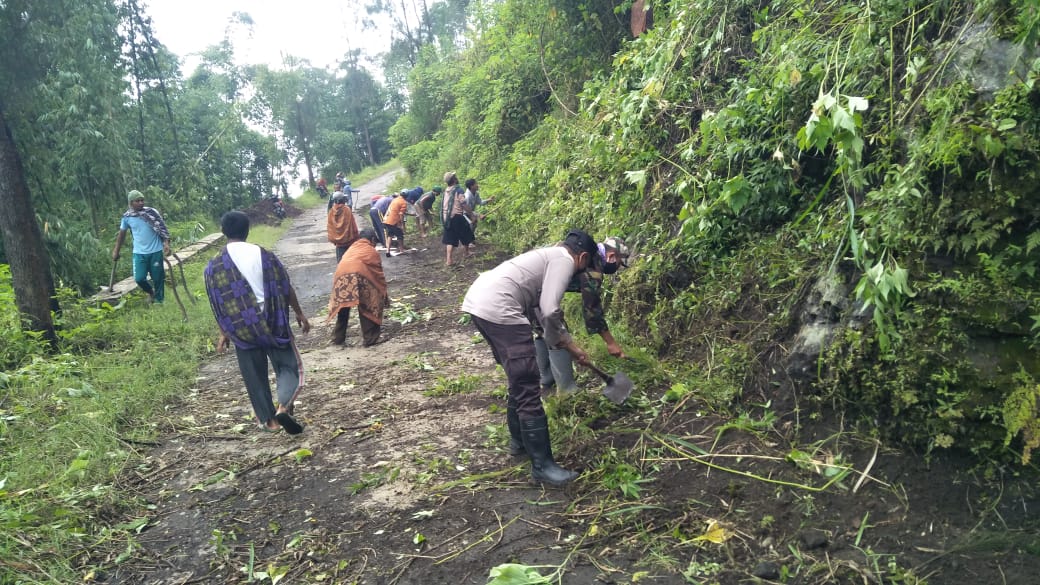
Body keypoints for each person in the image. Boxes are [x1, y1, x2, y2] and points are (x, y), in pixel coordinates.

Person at [461, 229, 600, 486]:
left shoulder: (546, 255)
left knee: (518, 378)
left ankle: (519, 442)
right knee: (526, 381)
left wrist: (567, 344)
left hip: (480, 304)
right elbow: (549, 311)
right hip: (500, 309)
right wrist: (567, 342)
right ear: (582, 257)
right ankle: (543, 467)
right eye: (587, 264)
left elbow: (539, 312)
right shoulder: (564, 260)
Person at [204, 211, 311, 435]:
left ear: (223, 232)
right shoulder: (265, 255)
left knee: (253, 374)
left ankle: (269, 421)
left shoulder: (213, 266)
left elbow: (217, 302)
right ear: (248, 230)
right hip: (273, 320)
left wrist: (224, 333)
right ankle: (283, 405)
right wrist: (299, 313)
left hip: (240, 327)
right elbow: (285, 286)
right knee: (288, 366)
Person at [536, 236, 631, 395]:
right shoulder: (593, 268)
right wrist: (611, 343)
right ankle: (568, 392)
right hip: (534, 291)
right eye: (620, 263)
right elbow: (592, 310)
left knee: (541, 329)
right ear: (612, 256)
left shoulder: (583, 251)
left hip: (530, 287)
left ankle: (546, 380)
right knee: (557, 332)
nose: (618, 267)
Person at [328, 228, 390, 347]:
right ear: (372, 240)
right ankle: (370, 338)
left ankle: (338, 338)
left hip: (341, 278)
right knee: (368, 303)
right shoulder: (371, 251)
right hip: (359, 276)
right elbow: (378, 277)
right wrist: (383, 295)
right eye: (375, 243)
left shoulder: (351, 248)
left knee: (343, 307)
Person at [112, 190, 171, 304]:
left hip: (156, 251)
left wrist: (166, 243)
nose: (140, 203)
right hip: (139, 253)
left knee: (158, 277)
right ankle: (151, 292)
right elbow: (121, 235)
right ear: (131, 203)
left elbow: (162, 229)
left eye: (142, 200)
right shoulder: (127, 217)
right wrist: (116, 251)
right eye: (137, 201)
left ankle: (159, 301)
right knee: (139, 278)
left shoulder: (152, 213)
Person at [440, 171, 476, 266]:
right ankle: (467, 253)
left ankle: (449, 260)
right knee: (466, 232)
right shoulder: (458, 190)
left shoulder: (447, 190)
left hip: (447, 217)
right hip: (456, 216)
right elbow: (463, 203)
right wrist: (471, 214)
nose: (457, 178)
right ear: (454, 180)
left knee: (450, 239)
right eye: (455, 177)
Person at [327, 191, 360, 262]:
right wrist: (357, 238)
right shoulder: (347, 210)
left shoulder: (331, 212)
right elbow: (353, 226)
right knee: (352, 262)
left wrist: (335, 240)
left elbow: (330, 228)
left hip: (339, 245)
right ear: (342, 200)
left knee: (341, 263)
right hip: (349, 242)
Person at [381, 192, 409, 256]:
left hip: (386, 219)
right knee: (400, 235)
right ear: (406, 197)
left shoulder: (395, 199)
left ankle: (388, 251)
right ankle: (402, 250)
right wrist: (401, 223)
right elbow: (401, 214)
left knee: (390, 235)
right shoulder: (403, 202)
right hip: (393, 221)